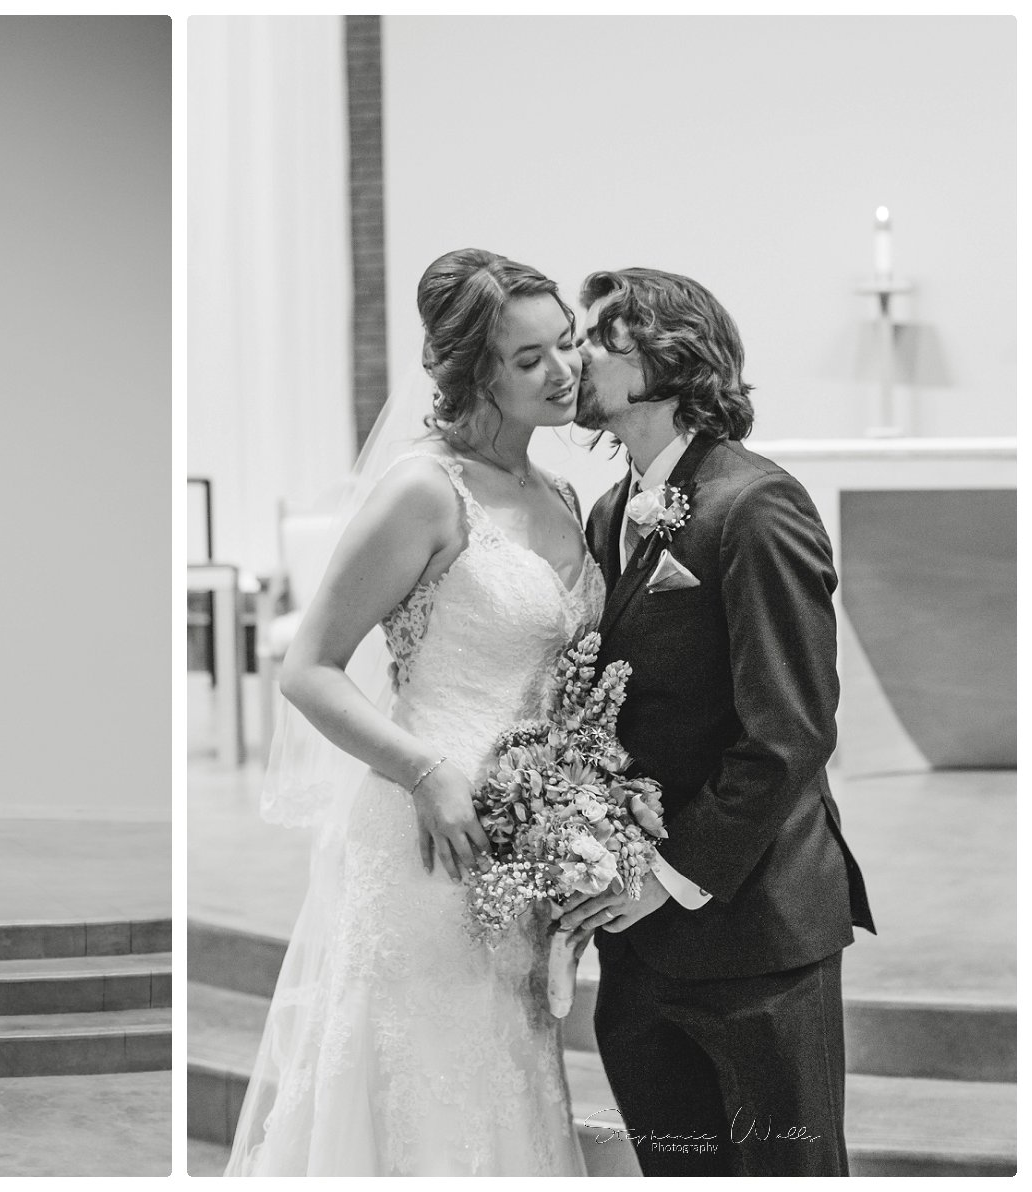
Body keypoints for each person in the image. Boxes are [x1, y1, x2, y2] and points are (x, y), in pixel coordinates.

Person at [224, 249, 599, 1175]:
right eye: (529, 358)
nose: (564, 370)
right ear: (475, 372)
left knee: (508, 1071)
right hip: (428, 832)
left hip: (527, 838)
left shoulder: (562, 494)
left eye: (569, 342)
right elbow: (307, 667)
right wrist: (426, 773)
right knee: (427, 1071)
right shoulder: (424, 489)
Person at [557, 267, 874, 1176]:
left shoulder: (754, 505)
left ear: (665, 357)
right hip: (640, 945)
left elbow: (791, 730)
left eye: (595, 338)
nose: (575, 358)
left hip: (754, 937)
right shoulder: (613, 509)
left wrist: (665, 876)